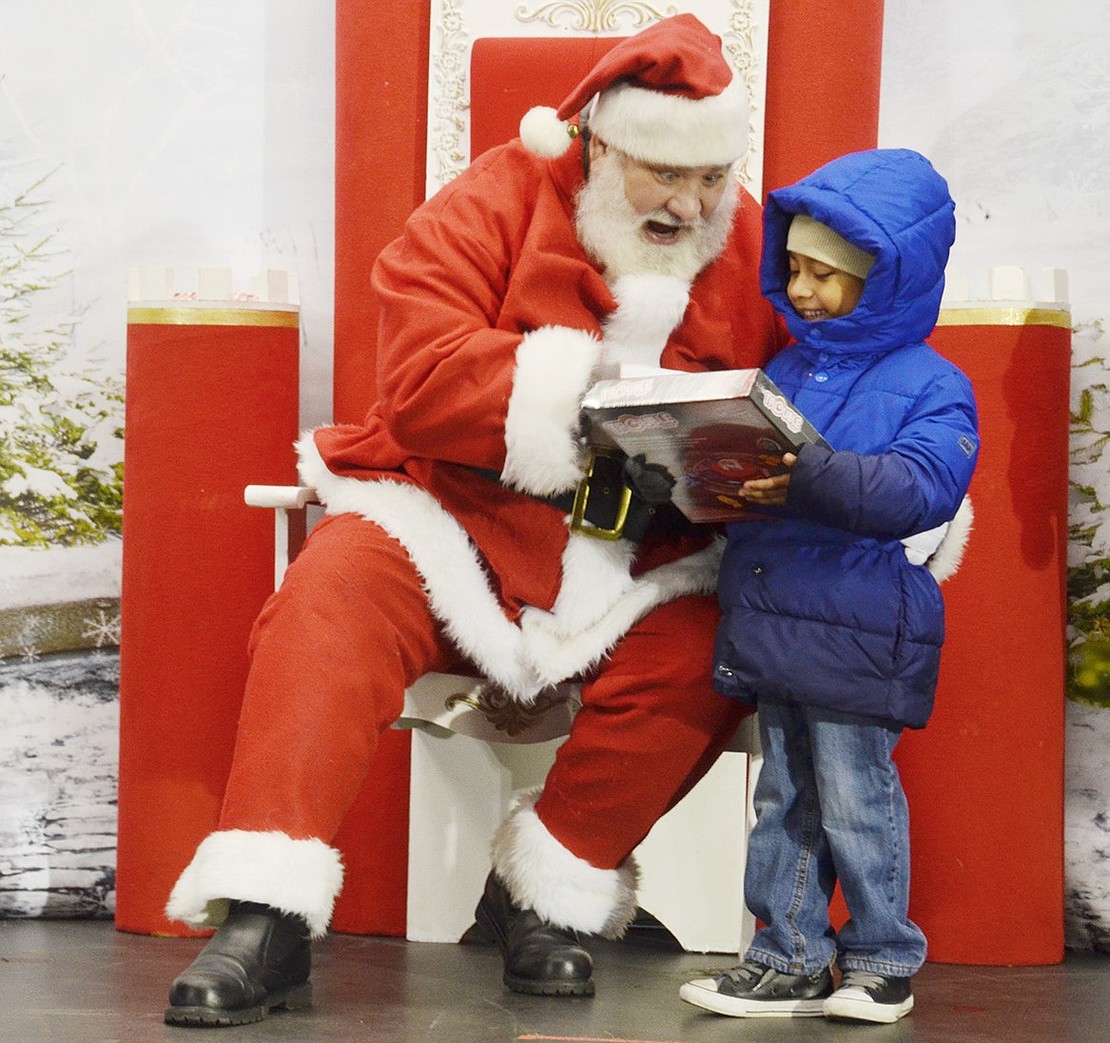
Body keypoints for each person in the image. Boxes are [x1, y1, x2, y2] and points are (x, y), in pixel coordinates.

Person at [161, 14, 788, 1028]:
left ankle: (546, 894)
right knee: (332, 593)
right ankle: (264, 913)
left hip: (645, 558)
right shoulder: (492, 198)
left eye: (712, 178)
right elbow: (414, 378)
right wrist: (583, 395)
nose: (691, 202)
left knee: (720, 648)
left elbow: (807, 392)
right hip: (453, 517)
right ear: (598, 146)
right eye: (663, 175)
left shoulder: (750, 239)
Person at [678, 148, 979, 1024]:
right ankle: (789, 954)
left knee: (856, 794)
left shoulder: (934, 385)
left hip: (860, 624)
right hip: (778, 617)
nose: (802, 290)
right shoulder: (790, 371)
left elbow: (921, 487)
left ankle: (884, 957)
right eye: (796, 269)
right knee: (785, 795)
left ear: (885, 279)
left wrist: (809, 474)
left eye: (826, 275)